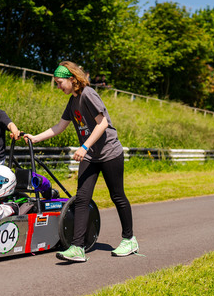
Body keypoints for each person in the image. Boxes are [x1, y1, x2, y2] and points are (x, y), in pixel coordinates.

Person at [24, 61, 139, 262]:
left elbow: (102, 123)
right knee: (82, 198)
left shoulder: (88, 94)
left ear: (72, 79)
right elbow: (59, 126)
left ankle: (129, 239)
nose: (58, 87)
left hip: (109, 152)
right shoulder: (72, 102)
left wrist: (84, 146)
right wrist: (35, 138)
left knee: (117, 196)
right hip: (90, 156)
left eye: (60, 83)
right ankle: (77, 247)